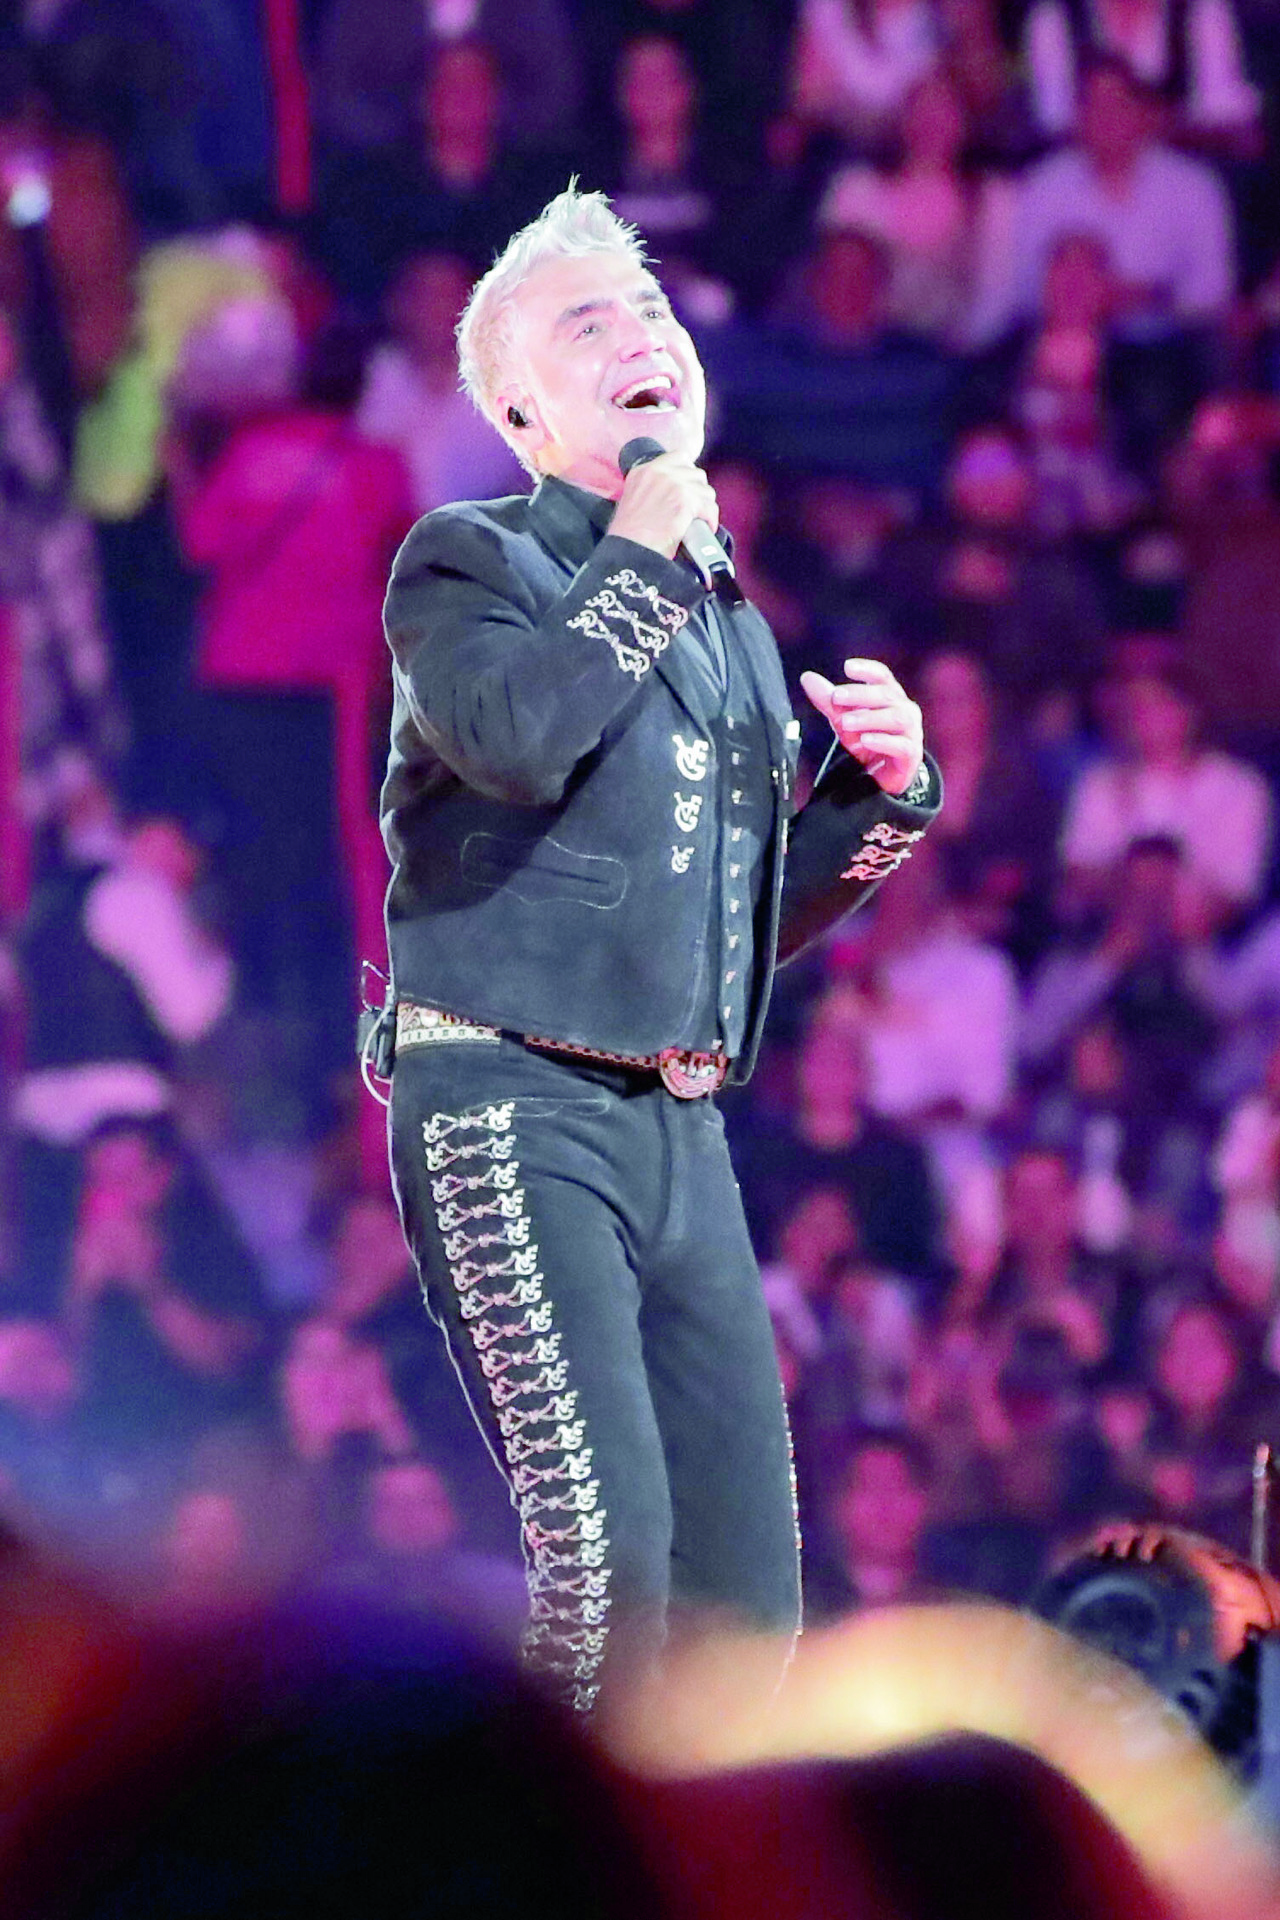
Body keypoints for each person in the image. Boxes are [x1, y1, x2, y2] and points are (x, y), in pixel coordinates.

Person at [377, 186, 940, 1713]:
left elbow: (737, 928)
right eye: (589, 326)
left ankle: (705, 1838)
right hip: (510, 1100)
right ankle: (530, 1837)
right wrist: (635, 550)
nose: (641, 338)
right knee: (610, 1577)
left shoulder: (724, 618)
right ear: (520, 410)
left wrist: (881, 800)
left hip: (678, 1122)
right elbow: (515, 738)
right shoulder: (470, 560)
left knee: (746, 1608)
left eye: (653, 316)